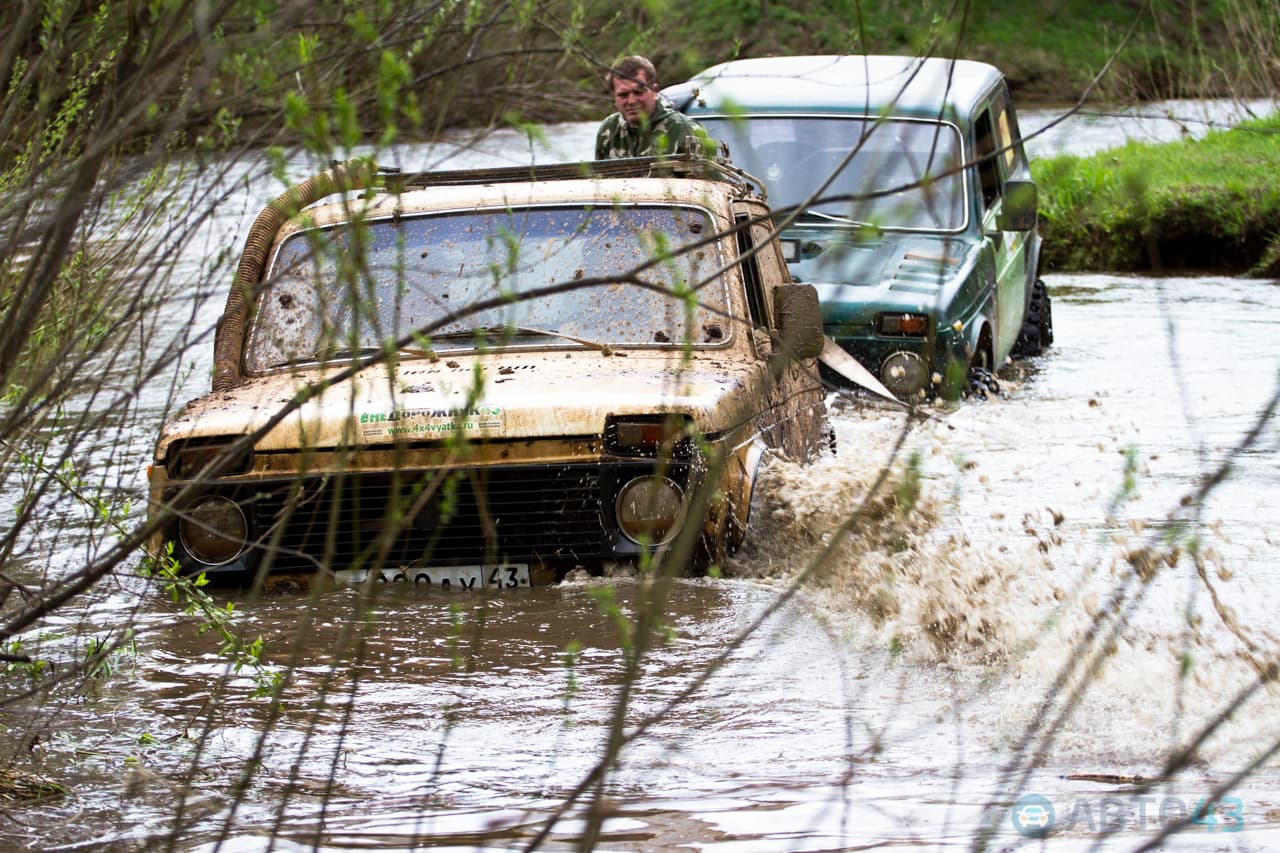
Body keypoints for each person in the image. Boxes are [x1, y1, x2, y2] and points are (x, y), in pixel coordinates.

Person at [595, 56, 710, 160]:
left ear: (655, 91)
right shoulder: (609, 130)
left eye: (638, 92)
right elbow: (597, 180)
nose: (631, 101)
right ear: (614, 98)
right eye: (623, 95)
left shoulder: (684, 130)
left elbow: (711, 182)